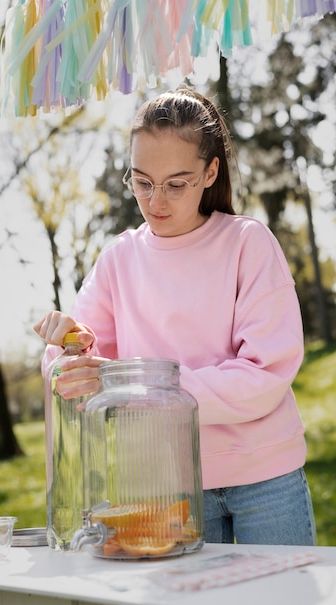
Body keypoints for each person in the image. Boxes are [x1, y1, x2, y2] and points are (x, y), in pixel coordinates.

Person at [34, 86, 316, 545]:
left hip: (266, 478)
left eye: (175, 184)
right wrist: (67, 348)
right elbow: (71, 373)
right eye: (141, 181)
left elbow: (266, 374)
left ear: (210, 173)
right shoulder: (118, 260)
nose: (155, 201)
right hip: (168, 486)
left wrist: (137, 384)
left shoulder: (248, 243)